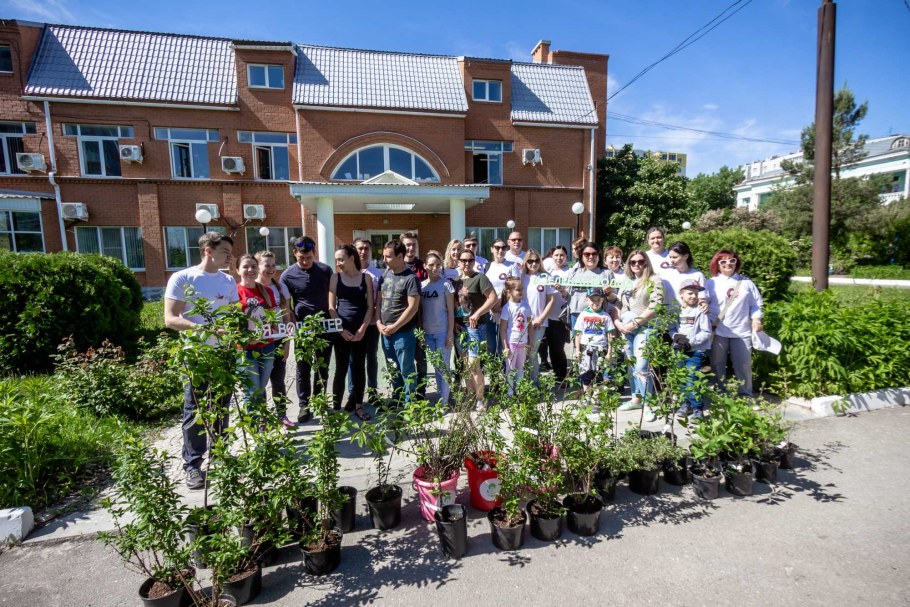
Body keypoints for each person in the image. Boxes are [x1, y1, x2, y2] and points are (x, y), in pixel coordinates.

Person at [163, 232, 239, 490]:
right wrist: (205, 331)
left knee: (221, 408)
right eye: (225, 251)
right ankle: (193, 465)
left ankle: (221, 457)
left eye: (230, 252)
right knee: (194, 411)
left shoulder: (228, 281)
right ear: (208, 249)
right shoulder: (183, 278)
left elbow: (233, 316)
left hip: (223, 355)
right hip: (195, 356)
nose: (229, 256)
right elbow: (171, 318)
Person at [279, 236, 333, 424]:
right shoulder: (287, 275)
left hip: (325, 327)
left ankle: (320, 402)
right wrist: (293, 320)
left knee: (322, 366)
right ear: (294, 253)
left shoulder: (325, 271)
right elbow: (285, 304)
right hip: (303, 329)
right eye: (301, 258)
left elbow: (333, 295)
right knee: (303, 367)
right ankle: (304, 405)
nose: (305, 261)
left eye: (308, 257)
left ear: (314, 253)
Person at [706, 249, 764, 398]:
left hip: (742, 332)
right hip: (718, 331)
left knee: (743, 366)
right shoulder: (711, 283)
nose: (728, 264)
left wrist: (756, 319)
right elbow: (703, 303)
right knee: (718, 366)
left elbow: (756, 304)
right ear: (717, 264)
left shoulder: (746, 283)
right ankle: (721, 395)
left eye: (732, 260)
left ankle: (745, 396)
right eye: (723, 261)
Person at [614, 250, 663, 422]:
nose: (636, 265)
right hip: (625, 326)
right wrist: (617, 322)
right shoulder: (626, 281)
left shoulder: (654, 280)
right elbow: (618, 304)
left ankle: (648, 405)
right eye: (633, 262)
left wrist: (635, 323)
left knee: (642, 366)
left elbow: (655, 305)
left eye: (640, 261)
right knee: (631, 363)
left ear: (646, 262)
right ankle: (636, 398)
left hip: (645, 327)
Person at [328, 244, 373, 420]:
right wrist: (340, 329)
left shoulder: (366, 278)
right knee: (340, 369)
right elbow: (331, 307)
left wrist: (363, 328)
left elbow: (370, 306)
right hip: (341, 330)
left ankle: (358, 406)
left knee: (359, 368)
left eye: (341, 259)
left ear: (351, 258)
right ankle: (336, 408)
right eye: (336, 260)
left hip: (361, 330)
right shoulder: (335, 277)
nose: (338, 263)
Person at [377, 239, 421, 405]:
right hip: (385, 332)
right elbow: (379, 303)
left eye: (388, 257)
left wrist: (395, 327)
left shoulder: (411, 278)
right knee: (393, 368)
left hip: (403, 333)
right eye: (384, 256)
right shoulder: (385, 274)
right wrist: (379, 323)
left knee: (407, 369)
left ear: (400, 256)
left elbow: (413, 307)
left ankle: (410, 404)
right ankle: (397, 398)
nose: (384, 260)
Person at [454, 248, 498, 410]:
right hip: (460, 327)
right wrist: (454, 323)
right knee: (465, 365)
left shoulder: (480, 278)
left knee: (474, 364)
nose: (466, 263)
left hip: (475, 326)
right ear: (458, 261)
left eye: (470, 260)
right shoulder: (456, 281)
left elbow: (493, 298)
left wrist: (478, 313)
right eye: (463, 260)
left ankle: (480, 399)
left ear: (474, 262)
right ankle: (471, 397)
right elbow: (454, 304)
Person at [256, 250, 295, 428]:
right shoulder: (252, 287)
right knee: (260, 383)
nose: (271, 269)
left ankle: (282, 415)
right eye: (267, 265)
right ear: (258, 266)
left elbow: (287, 316)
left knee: (278, 380)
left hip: (278, 340)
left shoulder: (280, 287)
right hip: (259, 342)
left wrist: (287, 342)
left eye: (273, 265)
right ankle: (262, 418)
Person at [236, 254, 278, 414]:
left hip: (267, 347)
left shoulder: (267, 291)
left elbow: (273, 319)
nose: (250, 270)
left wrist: (279, 330)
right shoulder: (234, 292)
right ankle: (254, 431)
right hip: (246, 350)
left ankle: (262, 424)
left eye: (253, 266)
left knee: (260, 389)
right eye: (245, 267)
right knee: (251, 392)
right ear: (237, 270)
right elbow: (230, 323)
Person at [670, 280, 713, 419]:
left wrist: (691, 343)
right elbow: (671, 328)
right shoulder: (676, 310)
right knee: (681, 379)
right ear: (681, 294)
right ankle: (685, 404)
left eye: (696, 293)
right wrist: (676, 337)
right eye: (690, 293)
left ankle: (697, 408)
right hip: (679, 351)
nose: (693, 296)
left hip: (695, 351)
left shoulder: (700, 311)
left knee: (691, 378)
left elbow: (706, 332)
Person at [421, 251, 456, 405]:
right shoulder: (422, 285)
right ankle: (442, 397)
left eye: (437, 265)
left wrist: (449, 334)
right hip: (428, 333)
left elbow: (451, 311)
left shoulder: (446, 284)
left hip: (442, 332)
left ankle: (444, 402)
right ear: (425, 266)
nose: (434, 268)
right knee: (436, 367)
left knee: (444, 367)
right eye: (431, 265)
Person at [353, 238, 383, 407]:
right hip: (354, 323)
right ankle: (353, 392)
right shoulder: (348, 272)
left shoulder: (377, 274)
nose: (363, 251)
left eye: (366, 248)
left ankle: (372, 391)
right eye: (359, 248)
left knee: (371, 357)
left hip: (372, 323)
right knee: (354, 359)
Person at [520, 250, 555, 380]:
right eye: (530, 261)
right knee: (522, 353)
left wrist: (541, 318)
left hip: (539, 322)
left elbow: (551, 300)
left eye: (536, 260)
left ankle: (534, 383)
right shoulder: (521, 277)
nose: (533, 263)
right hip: (521, 322)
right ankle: (523, 382)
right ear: (526, 262)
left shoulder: (545, 277)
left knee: (532, 353)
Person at [573, 287, 616, 395]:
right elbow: (578, 334)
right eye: (592, 300)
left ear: (602, 300)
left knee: (599, 374)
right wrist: (578, 350)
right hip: (585, 347)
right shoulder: (583, 315)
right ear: (587, 300)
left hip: (601, 348)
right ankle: (587, 396)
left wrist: (610, 352)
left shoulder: (605, 316)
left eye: (598, 300)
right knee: (586, 374)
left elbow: (610, 335)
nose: (595, 303)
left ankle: (596, 397)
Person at [400, 231, 427, 399]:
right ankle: (406, 392)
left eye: (413, 245)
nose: (411, 248)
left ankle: (421, 392)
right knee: (404, 360)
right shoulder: (395, 266)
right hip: (402, 321)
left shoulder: (423, 267)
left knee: (421, 358)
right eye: (407, 245)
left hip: (420, 320)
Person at [567, 242, 613, 336]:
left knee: (598, 343)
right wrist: (561, 290)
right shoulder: (574, 272)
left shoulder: (607, 273)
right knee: (578, 345)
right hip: (577, 314)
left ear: (598, 256)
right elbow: (567, 295)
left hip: (599, 314)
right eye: (587, 254)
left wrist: (608, 293)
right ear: (581, 256)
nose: (591, 257)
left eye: (594, 254)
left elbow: (614, 298)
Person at [484, 238, 520, 356]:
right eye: (497, 248)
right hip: (489, 310)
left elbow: (514, 287)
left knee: (502, 344)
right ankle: (491, 371)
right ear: (492, 249)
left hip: (505, 309)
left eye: (503, 248)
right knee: (490, 344)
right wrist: (491, 304)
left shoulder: (512, 266)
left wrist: (500, 303)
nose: (500, 250)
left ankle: (504, 371)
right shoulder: (486, 267)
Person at [499, 276, 533, 395]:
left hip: (523, 343)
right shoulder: (507, 308)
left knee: (520, 369)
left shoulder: (525, 305)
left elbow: (529, 325)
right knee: (510, 369)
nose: (521, 292)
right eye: (518, 289)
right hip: (512, 343)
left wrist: (531, 342)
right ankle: (509, 394)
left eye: (522, 289)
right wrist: (505, 347)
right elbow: (502, 329)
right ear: (509, 291)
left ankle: (519, 391)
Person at [663, 241, 708, 309]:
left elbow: (702, 298)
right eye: (670, 257)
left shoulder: (697, 275)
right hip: (670, 316)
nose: (671, 260)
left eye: (675, 257)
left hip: (689, 316)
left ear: (686, 256)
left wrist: (703, 304)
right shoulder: (665, 274)